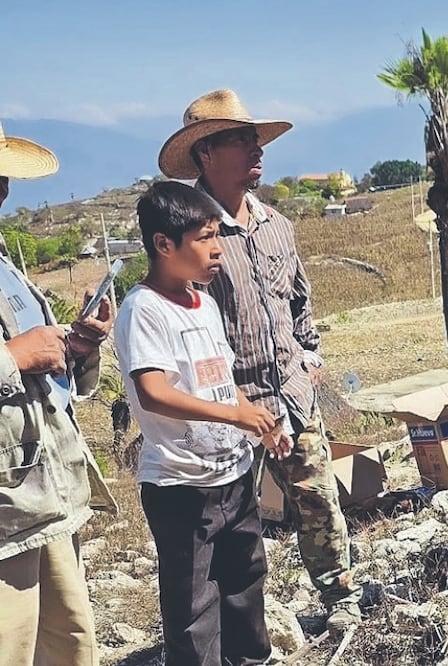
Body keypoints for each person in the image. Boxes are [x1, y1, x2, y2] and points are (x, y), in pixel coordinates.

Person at [157, 89, 363, 630]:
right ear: (206, 153)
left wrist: (309, 354)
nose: (256, 149)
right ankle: (242, 623)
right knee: (234, 524)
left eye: (255, 138)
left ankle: (340, 599)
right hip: (230, 408)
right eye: (241, 139)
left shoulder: (275, 224)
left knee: (319, 505)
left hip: (291, 393)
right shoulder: (191, 233)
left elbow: (299, 296)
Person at [115, 181, 292, 665]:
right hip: (181, 486)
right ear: (163, 244)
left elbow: (220, 378)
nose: (217, 250)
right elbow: (154, 392)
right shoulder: (144, 310)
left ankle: (251, 658)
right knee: (194, 603)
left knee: (246, 580)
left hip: (232, 475)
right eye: (204, 238)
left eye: (217, 235)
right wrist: (235, 413)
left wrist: (256, 422)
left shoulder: (205, 303)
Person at [0, 121, 117, 666]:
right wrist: (14, 357)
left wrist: (79, 346)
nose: (3, 188)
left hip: (45, 494)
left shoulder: (6, 265)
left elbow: (50, 376)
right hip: (6, 514)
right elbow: (19, 358)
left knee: (69, 644)